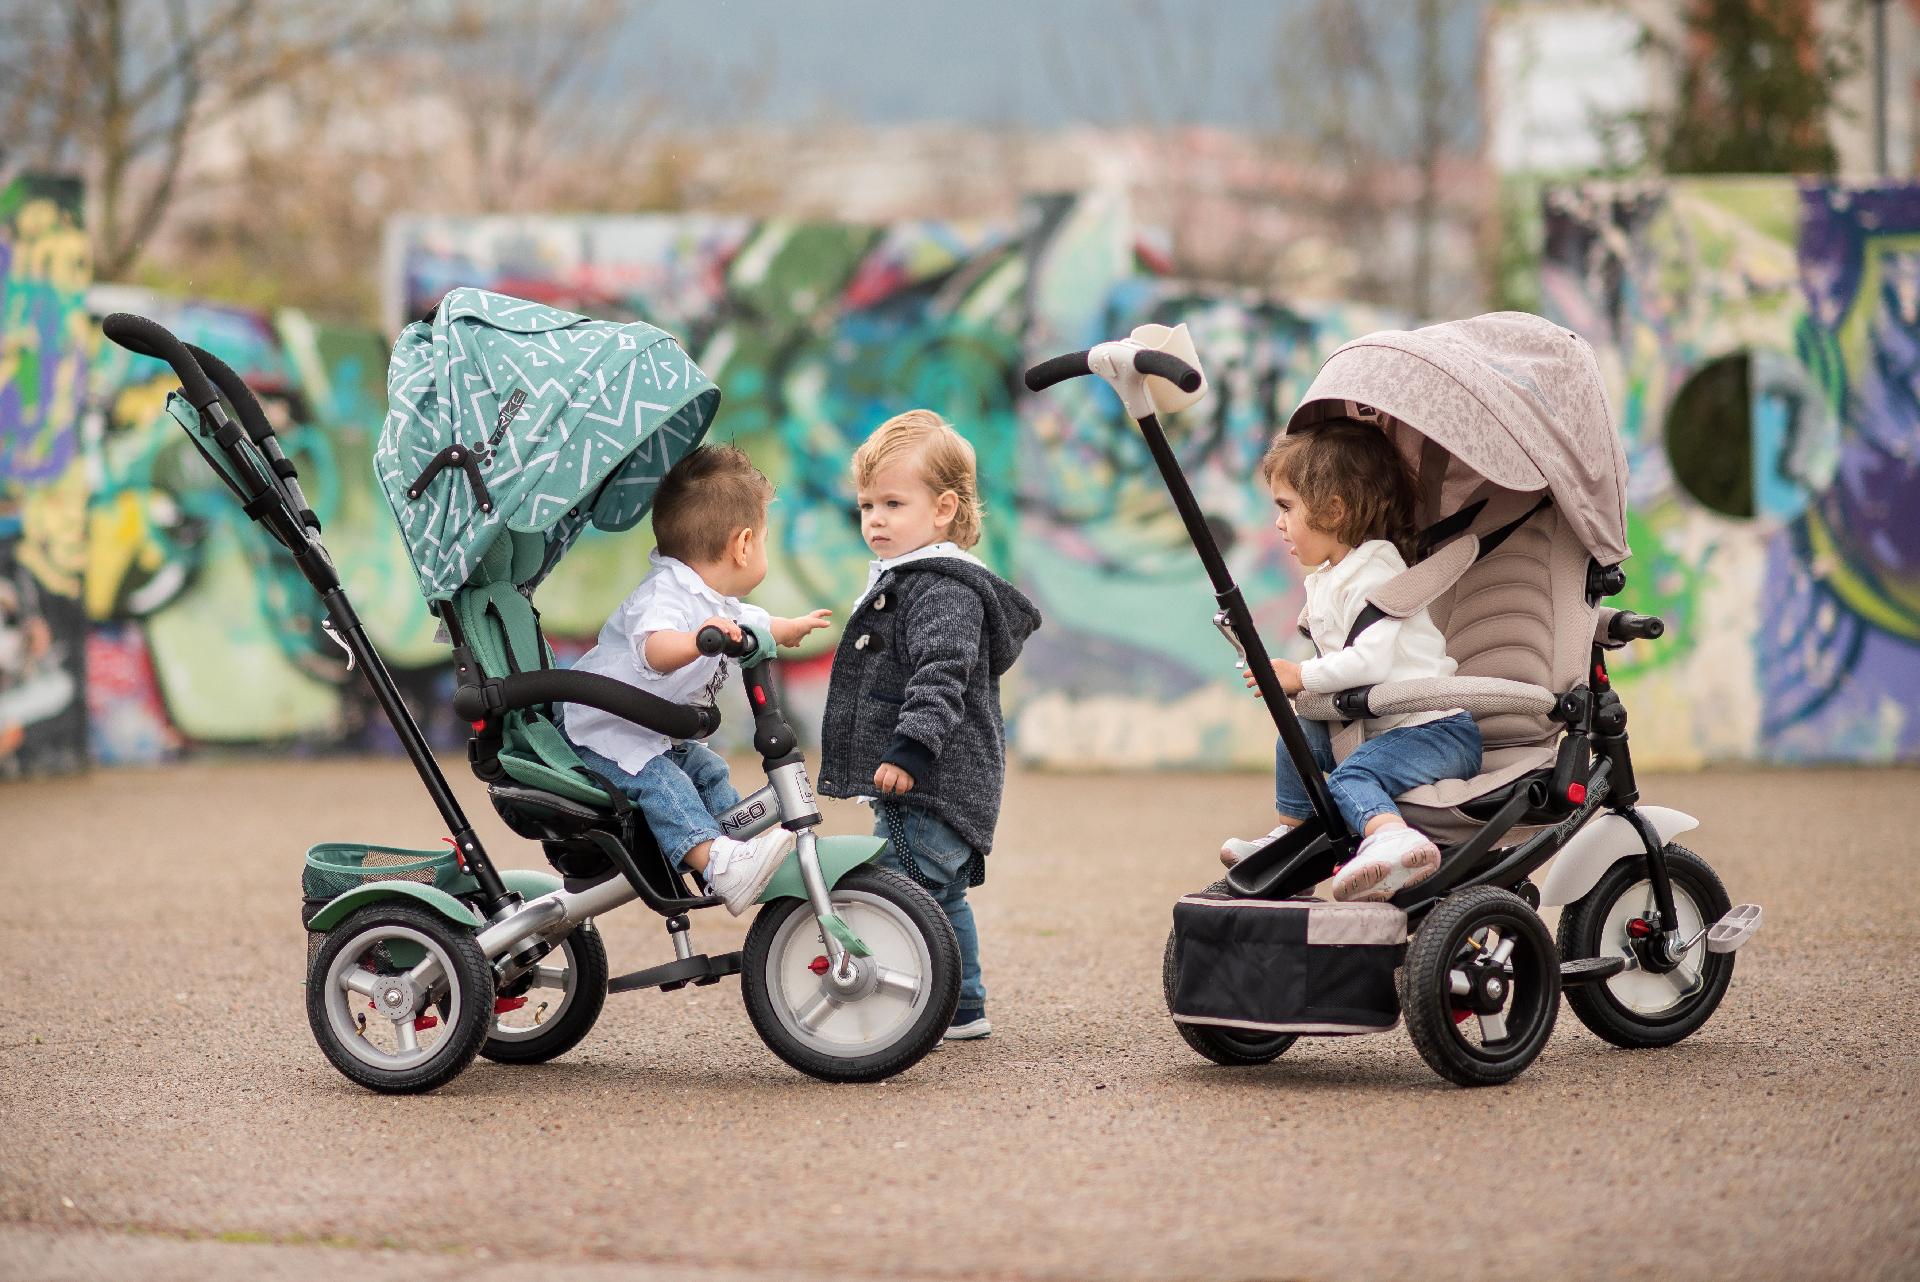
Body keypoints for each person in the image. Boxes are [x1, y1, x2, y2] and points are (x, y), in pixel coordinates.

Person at [815, 410, 1041, 1041]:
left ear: (943, 508)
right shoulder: (913, 580)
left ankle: (931, 1006)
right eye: (866, 505)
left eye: (893, 502)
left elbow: (940, 675)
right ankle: (963, 1008)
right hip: (934, 782)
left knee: (906, 897)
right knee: (940, 899)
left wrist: (910, 751)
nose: (875, 519)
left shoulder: (940, 589)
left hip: (931, 781)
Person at [562, 444, 833, 914]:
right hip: (606, 735)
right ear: (743, 544)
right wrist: (697, 640)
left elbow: (749, 621)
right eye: (764, 539)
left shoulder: (711, 598)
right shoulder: (665, 591)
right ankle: (716, 862)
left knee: (708, 770)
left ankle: (734, 844)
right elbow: (654, 646)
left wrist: (786, 630)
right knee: (666, 786)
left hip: (650, 733)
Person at [1221, 420, 1482, 902]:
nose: (1278, 523)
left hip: (1436, 731)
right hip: (1385, 726)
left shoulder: (1376, 569)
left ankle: (1394, 838)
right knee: (1296, 739)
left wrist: (1301, 676)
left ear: (1334, 511)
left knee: (1352, 776)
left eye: (1286, 507)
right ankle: (1293, 836)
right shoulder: (1331, 576)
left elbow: (1370, 663)